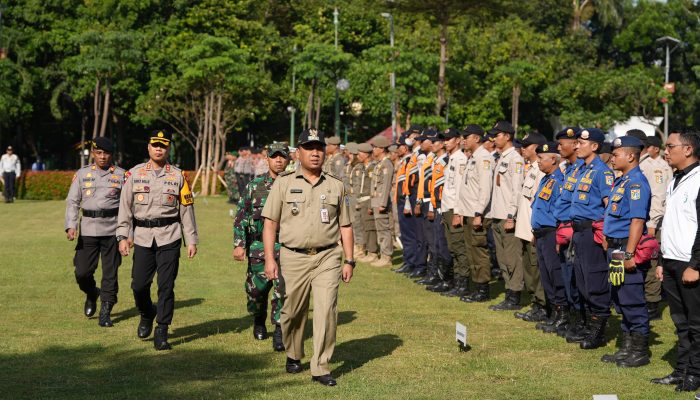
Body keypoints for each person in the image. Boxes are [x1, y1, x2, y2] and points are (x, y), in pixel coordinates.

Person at [262, 129, 354, 387]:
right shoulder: (284, 182)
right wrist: (270, 259)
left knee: (326, 311)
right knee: (292, 311)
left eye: (319, 148)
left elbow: (346, 225)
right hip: (293, 257)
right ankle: (293, 353)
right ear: (298, 153)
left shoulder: (336, 185)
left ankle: (320, 366)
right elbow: (270, 223)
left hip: (327, 257)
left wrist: (349, 259)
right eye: (309, 148)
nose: (315, 153)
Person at [116, 130, 198, 351]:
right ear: (149, 148)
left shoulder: (178, 176)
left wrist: (191, 239)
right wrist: (123, 236)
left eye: (163, 145)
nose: (159, 149)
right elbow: (125, 208)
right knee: (139, 285)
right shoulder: (134, 174)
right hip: (142, 237)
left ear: (168, 148)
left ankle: (162, 329)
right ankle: (146, 313)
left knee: (166, 285)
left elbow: (186, 209)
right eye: (155, 145)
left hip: (169, 235)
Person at [651, 131, 700, 392]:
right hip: (671, 260)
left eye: (670, 146)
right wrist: (661, 259)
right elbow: (670, 224)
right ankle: (681, 370)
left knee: (696, 323)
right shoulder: (675, 180)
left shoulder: (699, 179)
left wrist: (696, 265)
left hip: (689, 263)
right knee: (680, 322)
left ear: (688, 149)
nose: (665, 151)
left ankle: (695, 373)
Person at [599, 135, 652, 368]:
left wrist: (629, 253)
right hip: (615, 247)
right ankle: (627, 347)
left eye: (617, 154)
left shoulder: (636, 183)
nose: (612, 158)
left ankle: (639, 351)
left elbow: (637, 221)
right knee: (620, 296)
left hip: (624, 248)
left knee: (631, 297)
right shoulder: (622, 181)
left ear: (630, 156)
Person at [233, 142, 290, 352]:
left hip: (286, 246)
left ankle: (279, 330)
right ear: (267, 159)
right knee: (256, 291)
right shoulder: (254, 186)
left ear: (288, 159)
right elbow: (241, 216)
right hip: (258, 246)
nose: (278, 160)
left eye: (282, 156)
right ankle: (258, 318)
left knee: (282, 291)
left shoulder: (294, 186)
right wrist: (239, 244)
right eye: (274, 156)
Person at [64, 137, 125, 327]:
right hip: (88, 228)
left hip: (113, 229)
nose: (103, 156)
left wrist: (127, 233)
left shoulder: (122, 175)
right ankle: (92, 293)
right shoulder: (82, 174)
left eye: (106, 153)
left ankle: (105, 311)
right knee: (82, 272)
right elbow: (73, 201)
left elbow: (128, 205)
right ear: (93, 153)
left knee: (110, 273)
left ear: (111, 155)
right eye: (99, 153)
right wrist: (71, 225)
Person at [569, 128, 614, 349]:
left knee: (595, 280)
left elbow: (609, 205)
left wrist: (606, 234)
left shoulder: (601, 172)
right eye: (576, 143)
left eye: (581, 143)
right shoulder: (582, 170)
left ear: (594, 146)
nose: (577, 146)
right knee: (582, 280)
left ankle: (598, 330)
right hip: (578, 231)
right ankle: (588, 325)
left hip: (593, 232)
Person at [487, 121, 525, 311]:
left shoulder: (515, 159)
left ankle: (514, 296)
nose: (494, 138)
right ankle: (509, 292)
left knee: (512, 259)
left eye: (498, 134)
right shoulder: (501, 158)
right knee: (502, 258)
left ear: (507, 136)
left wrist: (512, 215)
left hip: (507, 216)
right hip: (497, 214)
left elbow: (516, 190)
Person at [551, 127, 585, 338]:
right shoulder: (568, 168)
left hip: (578, 231)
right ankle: (572, 318)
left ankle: (584, 321)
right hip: (563, 230)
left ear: (575, 144)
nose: (559, 148)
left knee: (578, 278)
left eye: (563, 143)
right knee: (567, 276)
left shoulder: (584, 169)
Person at [530, 142, 567, 334]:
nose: (537, 162)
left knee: (555, 275)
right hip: (541, 234)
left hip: (552, 233)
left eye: (541, 158)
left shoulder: (560, 181)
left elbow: (560, 212)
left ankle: (562, 315)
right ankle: (553, 313)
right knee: (545, 276)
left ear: (553, 159)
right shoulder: (546, 179)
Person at [637, 133, 672, 320]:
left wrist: (651, 224)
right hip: (643, 221)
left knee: (651, 262)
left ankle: (652, 305)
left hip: (652, 223)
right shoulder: (644, 164)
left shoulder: (655, 166)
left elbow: (658, 197)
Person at [458, 125, 494, 303]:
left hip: (477, 213)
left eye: (467, 136)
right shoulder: (473, 157)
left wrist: (479, 212)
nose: (464, 139)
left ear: (477, 138)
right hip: (468, 212)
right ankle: (476, 285)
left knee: (478, 251)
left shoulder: (484, 158)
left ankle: (482, 289)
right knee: (471, 250)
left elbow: (485, 189)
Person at [514, 132, 547, 322]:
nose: (523, 149)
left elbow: (538, 203)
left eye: (526, 146)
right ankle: (536, 303)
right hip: (525, 228)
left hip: (533, 228)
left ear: (536, 147)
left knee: (536, 270)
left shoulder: (541, 170)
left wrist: (535, 229)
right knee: (529, 269)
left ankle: (542, 307)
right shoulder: (531, 168)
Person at [440, 128, 470, 297]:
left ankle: (463, 283)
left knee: (459, 247)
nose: (446, 142)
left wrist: (458, 212)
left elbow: (460, 188)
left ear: (458, 140)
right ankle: (458, 282)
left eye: (449, 139)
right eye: (444, 139)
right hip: (447, 207)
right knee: (452, 246)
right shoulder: (451, 158)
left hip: (454, 208)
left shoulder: (460, 160)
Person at [426, 130, 454, 292]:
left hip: (443, 207)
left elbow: (444, 188)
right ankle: (439, 276)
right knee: (437, 243)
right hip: (437, 206)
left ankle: (447, 279)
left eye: (435, 141)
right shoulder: (438, 161)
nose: (432, 144)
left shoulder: (445, 161)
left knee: (443, 245)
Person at [395, 126, 423, 275]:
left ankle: (414, 262)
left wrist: (407, 201)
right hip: (403, 200)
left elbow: (412, 182)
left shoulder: (418, 157)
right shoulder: (407, 160)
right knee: (406, 234)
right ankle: (409, 261)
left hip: (410, 200)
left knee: (412, 234)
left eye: (400, 146)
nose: (398, 149)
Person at [369, 136, 394, 267]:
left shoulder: (387, 164)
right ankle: (383, 254)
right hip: (376, 200)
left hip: (381, 202)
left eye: (375, 147)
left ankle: (386, 256)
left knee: (384, 230)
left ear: (382, 149)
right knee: (380, 230)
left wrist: (383, 203)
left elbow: (385, 186)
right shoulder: (379, 164)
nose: (373, 150)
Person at [356, 143, 379, 263]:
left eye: (360, 153)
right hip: (361, 200)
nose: (358, 155)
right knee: (364, 227)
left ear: (366, 154)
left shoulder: (373, 167)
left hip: (368, 200)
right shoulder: (362, 167)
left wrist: (371, 203)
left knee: (370, 228)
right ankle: (365, 249)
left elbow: (373, 187)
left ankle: (372, 252)